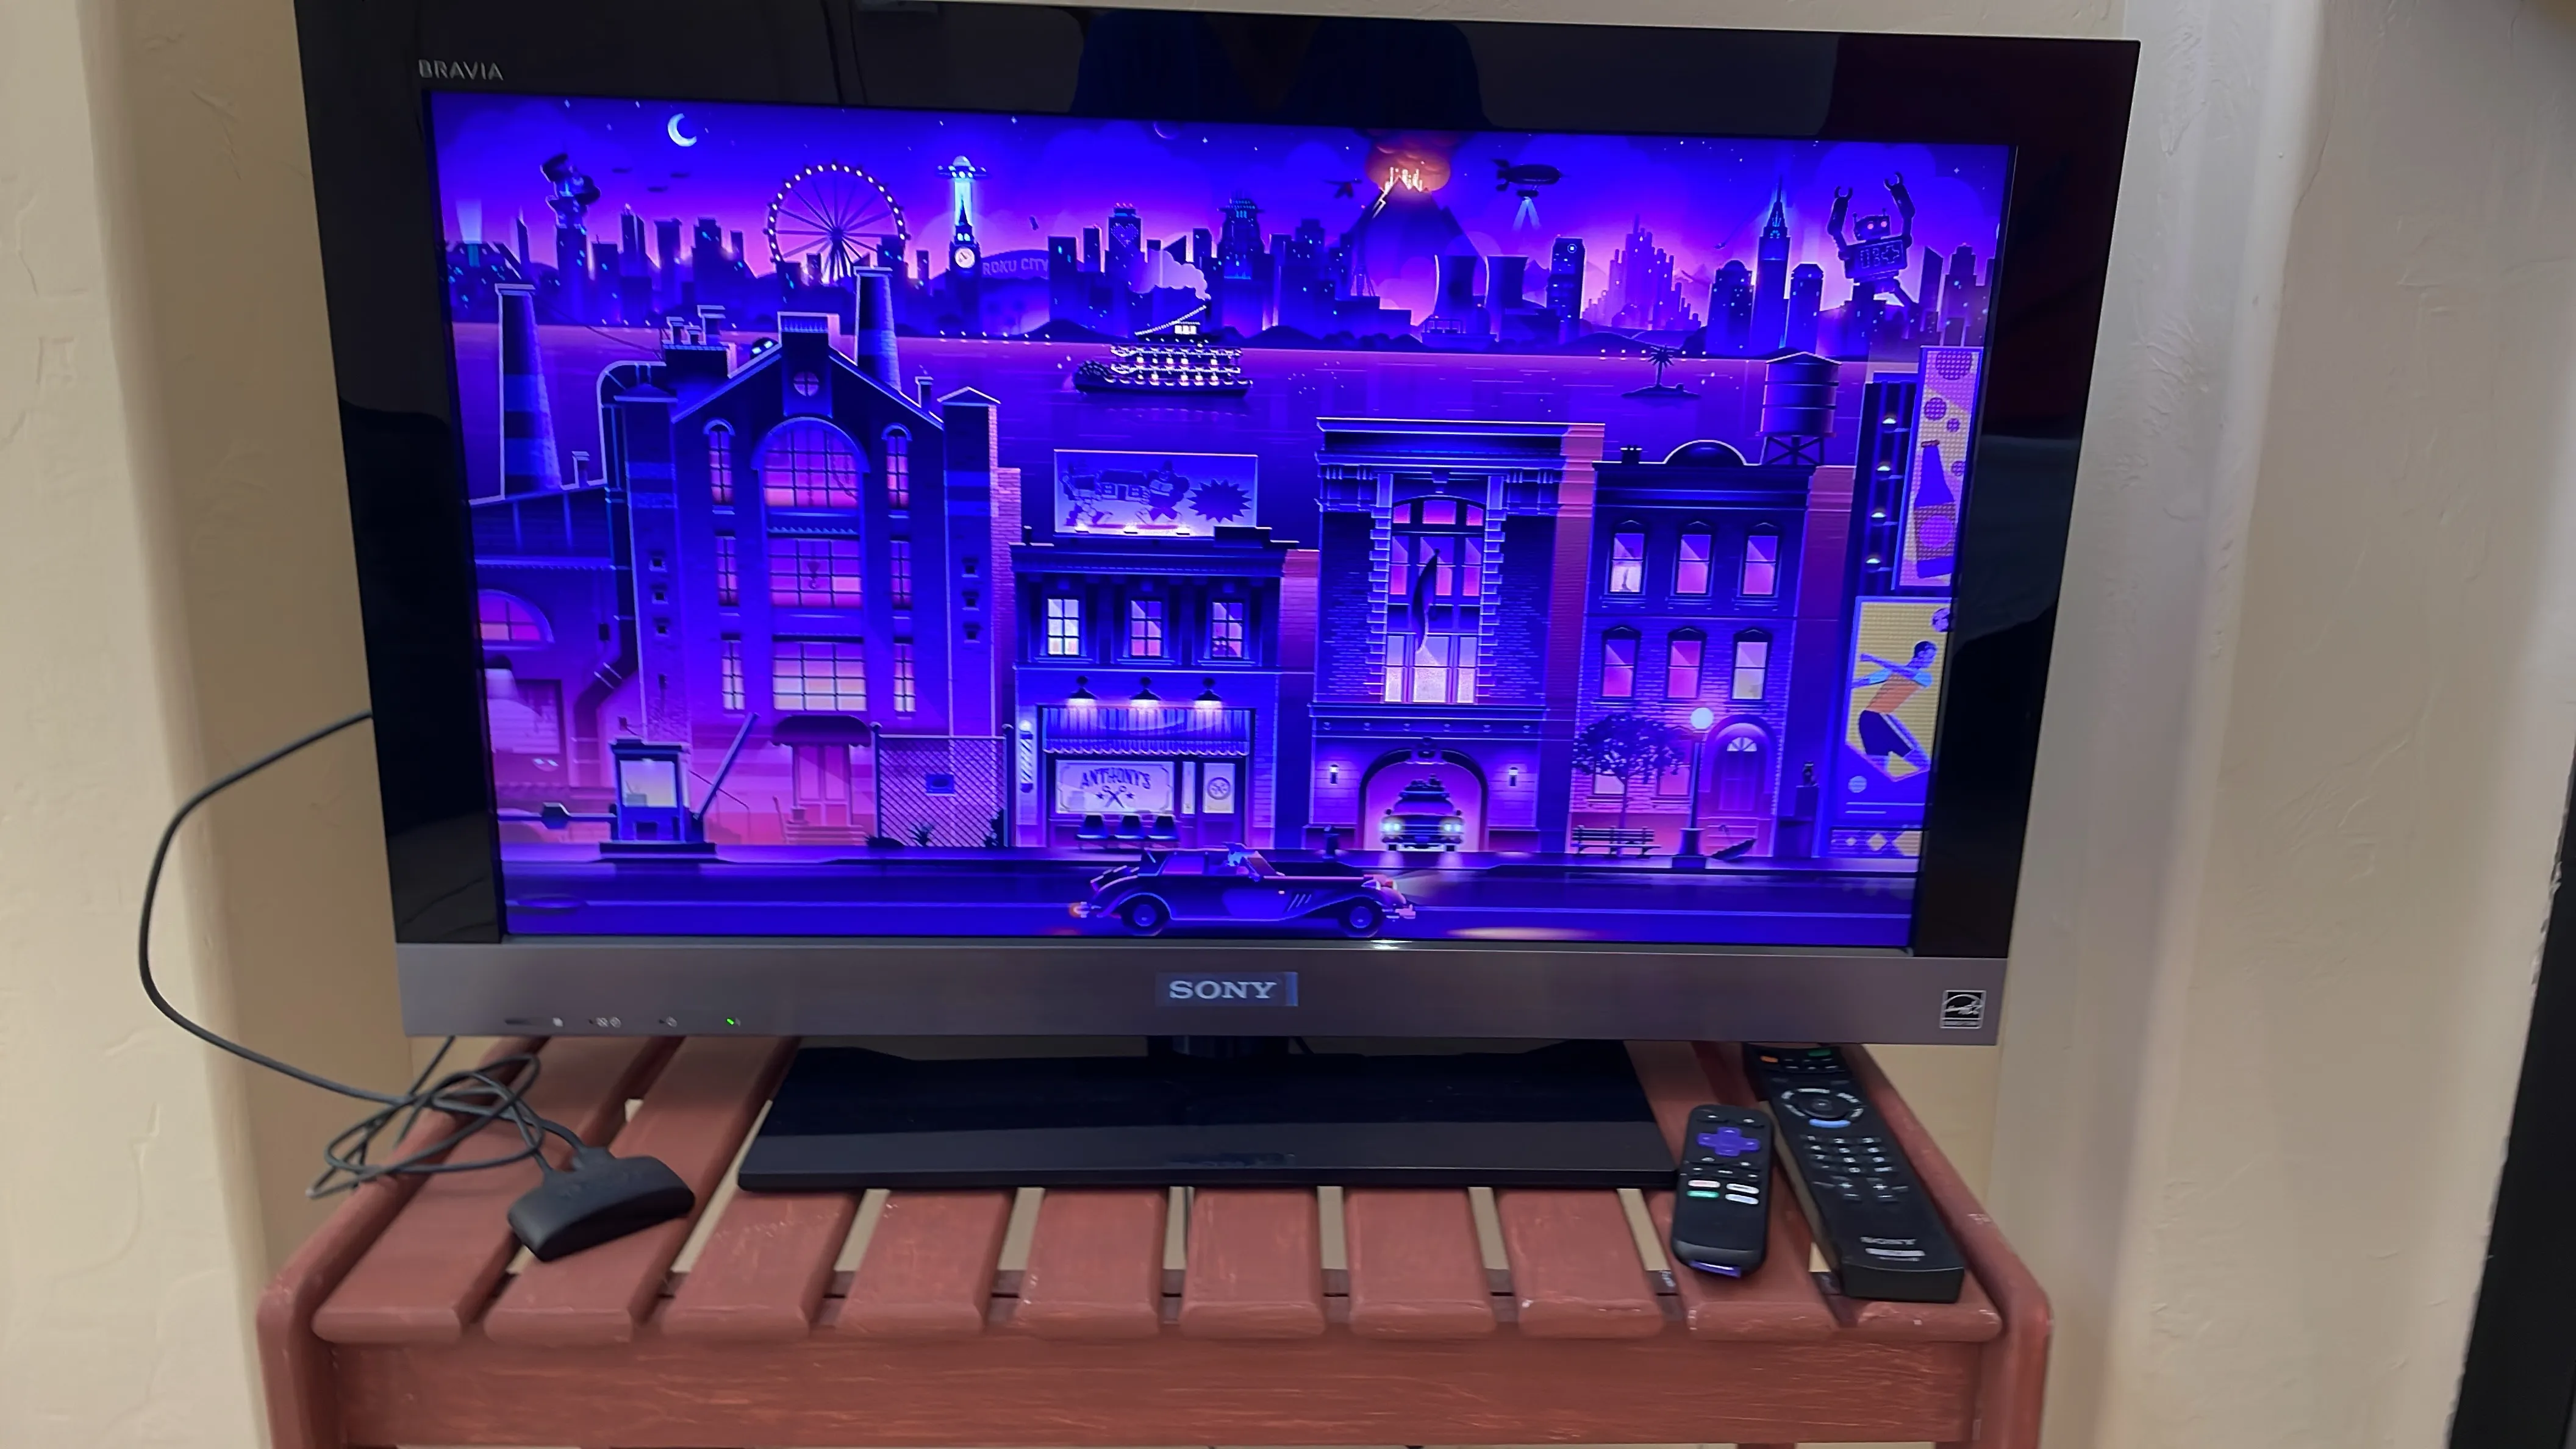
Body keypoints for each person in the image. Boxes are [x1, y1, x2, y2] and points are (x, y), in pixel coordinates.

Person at [1852, 641, 1938, 770]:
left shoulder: (1924, 677)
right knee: (1878, 771)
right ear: (1921, 654)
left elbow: (1904, 671)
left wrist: (1873, 659)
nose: (1932, 661)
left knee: (1880, 770)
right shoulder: (1891, 672)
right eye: (1930, 657)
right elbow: (1860, 682)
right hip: (1876, 717)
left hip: (1875, 719)